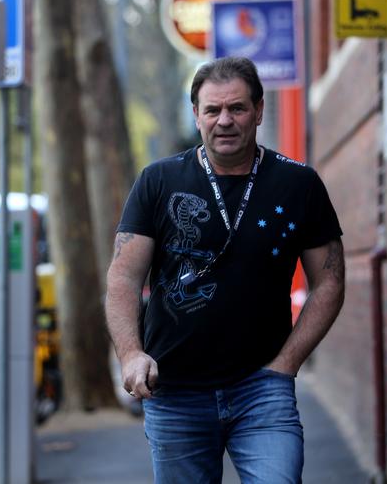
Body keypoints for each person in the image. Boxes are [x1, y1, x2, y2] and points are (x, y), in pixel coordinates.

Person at [105, 56, 345, 484]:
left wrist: (287, 363)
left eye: (237, 108)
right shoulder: (158, 182)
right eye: (212, 110)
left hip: (262, 388)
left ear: (258, 111)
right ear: (195, 114)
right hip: (174, 391)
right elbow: (123, 277)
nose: (225, 120)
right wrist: (131, 353)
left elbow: (329, 280)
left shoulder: (298, 185)